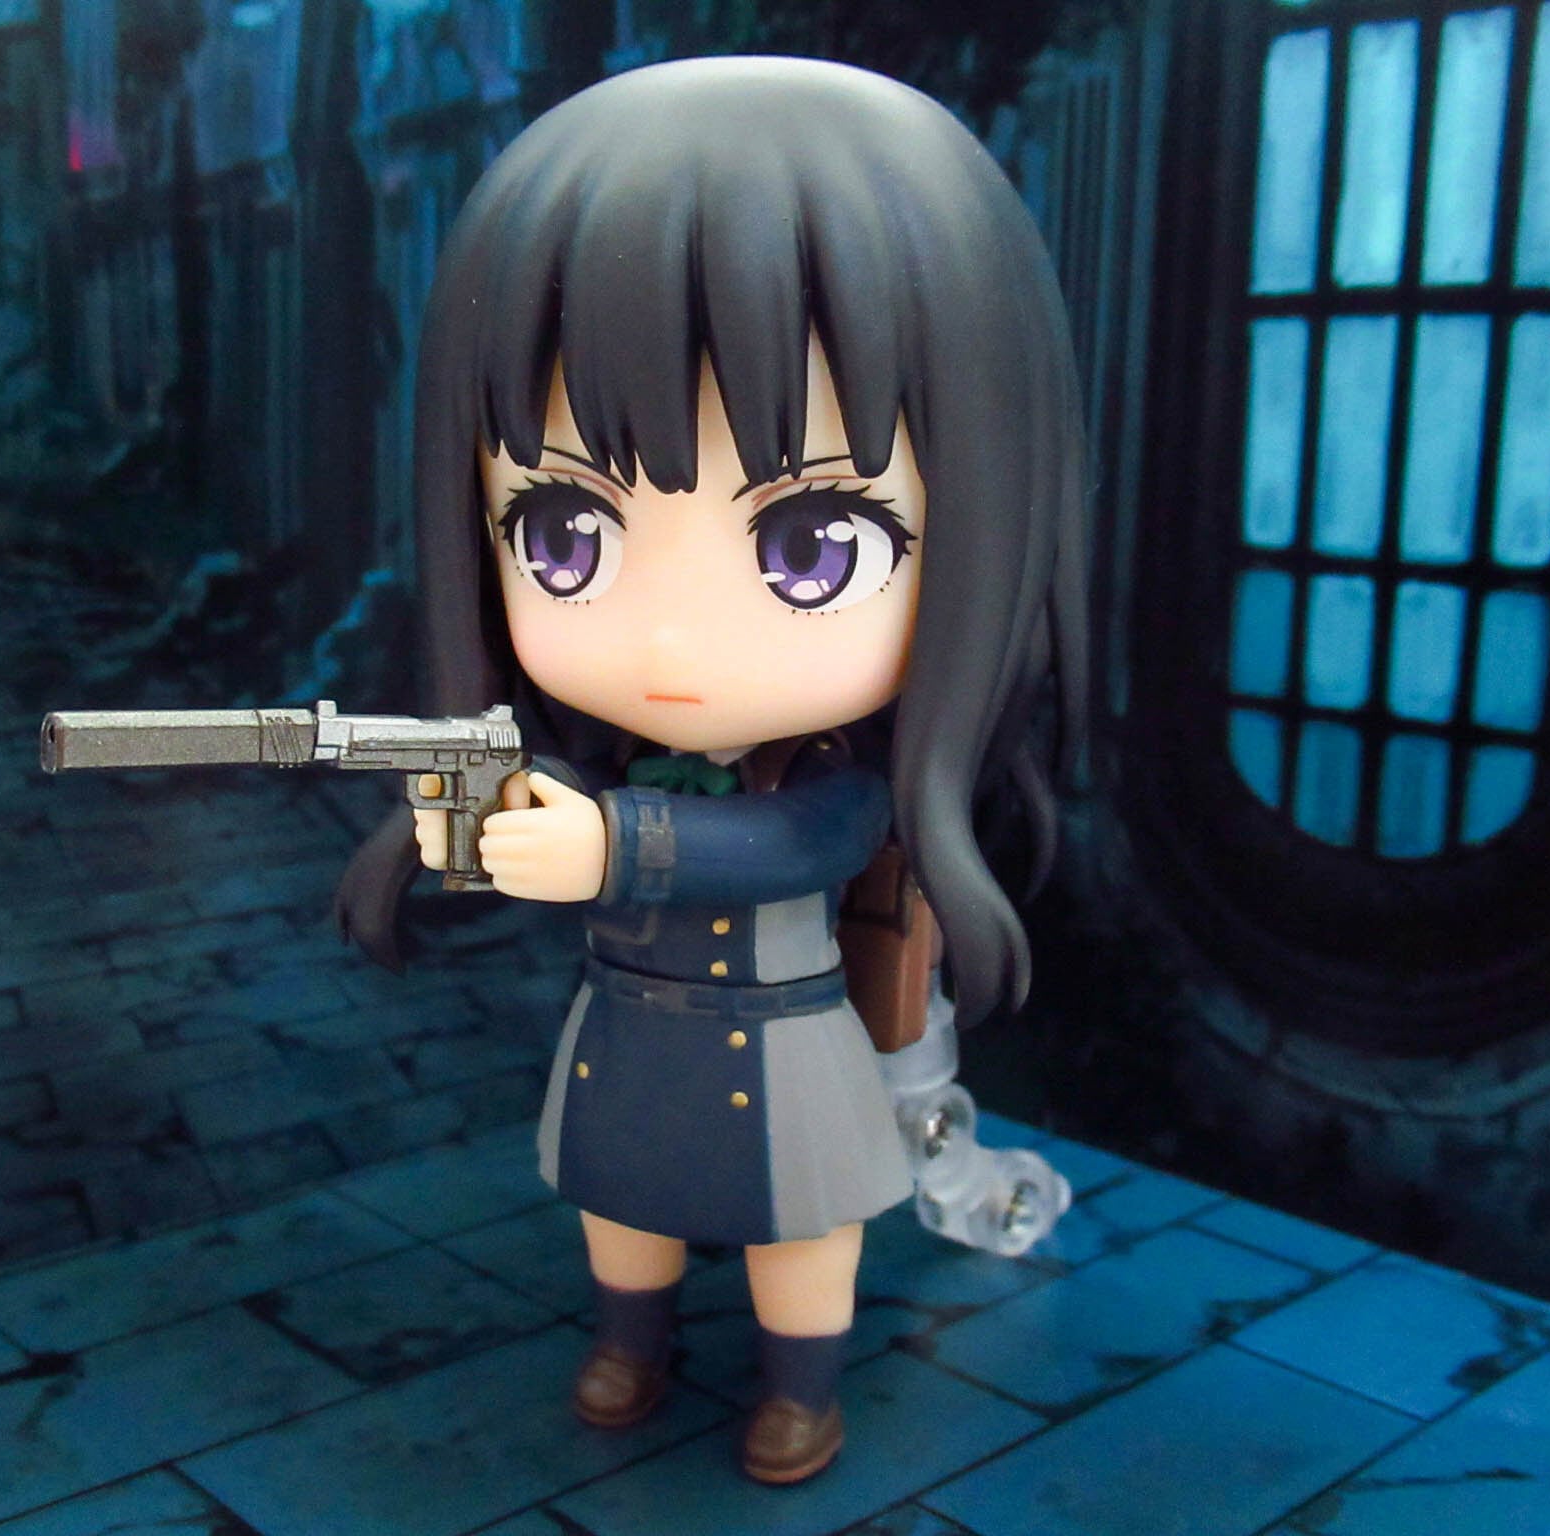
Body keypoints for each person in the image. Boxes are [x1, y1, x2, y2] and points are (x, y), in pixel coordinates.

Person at [338, 54, 1085, 1485]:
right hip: (629, 1035)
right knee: (620, 1209)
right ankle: (632, 1342)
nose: (673, 640)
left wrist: (610, 848)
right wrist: (484, 832)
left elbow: (804, 844)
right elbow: (559, 822)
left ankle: (801, 1390)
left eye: (811, 547)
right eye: (564, 534)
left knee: (805, 1234)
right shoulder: (607, 751)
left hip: (787, 1049)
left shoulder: (838, 777)